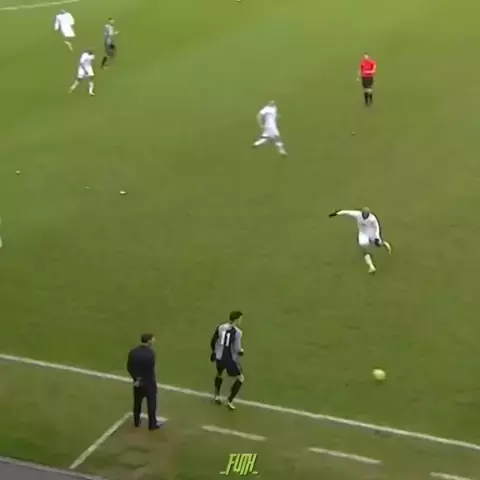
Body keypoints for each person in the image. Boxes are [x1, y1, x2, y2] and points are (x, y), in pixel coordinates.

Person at [329, 207, 391, 274]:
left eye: (366, 214)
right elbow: (347, 212)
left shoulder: (372, 218)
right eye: (364, 214)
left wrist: (377, 237)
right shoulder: (358, 214)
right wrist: (337, 213)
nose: (365, 216)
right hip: (363, 233)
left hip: (371, 231)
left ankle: (384, 243)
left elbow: (377, 227)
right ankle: (371, 266)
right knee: (364, 249)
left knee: (378, 244)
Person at [210, 311, 245, 411]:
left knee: (219, 373)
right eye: (240, 319)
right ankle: (230, 400)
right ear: (236, 319)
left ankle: (217, 396)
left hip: (219, 357)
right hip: (229, 360)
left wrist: (214, 352)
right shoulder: (238, 332)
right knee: (241, 378)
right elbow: (237, 349)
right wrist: (241, 352)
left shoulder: (220, 327)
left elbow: (213, 341)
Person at [126, 333, 162, 430]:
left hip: (137, 383)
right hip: (149, 383)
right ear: (149, 341)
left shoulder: (133, 352)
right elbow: (150, 369)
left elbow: (129, 367)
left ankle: (136, 422)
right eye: (152, 339)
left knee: (137, 403)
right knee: (151, 404)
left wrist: (136, 379)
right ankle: (152, 424)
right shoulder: (150, 354)